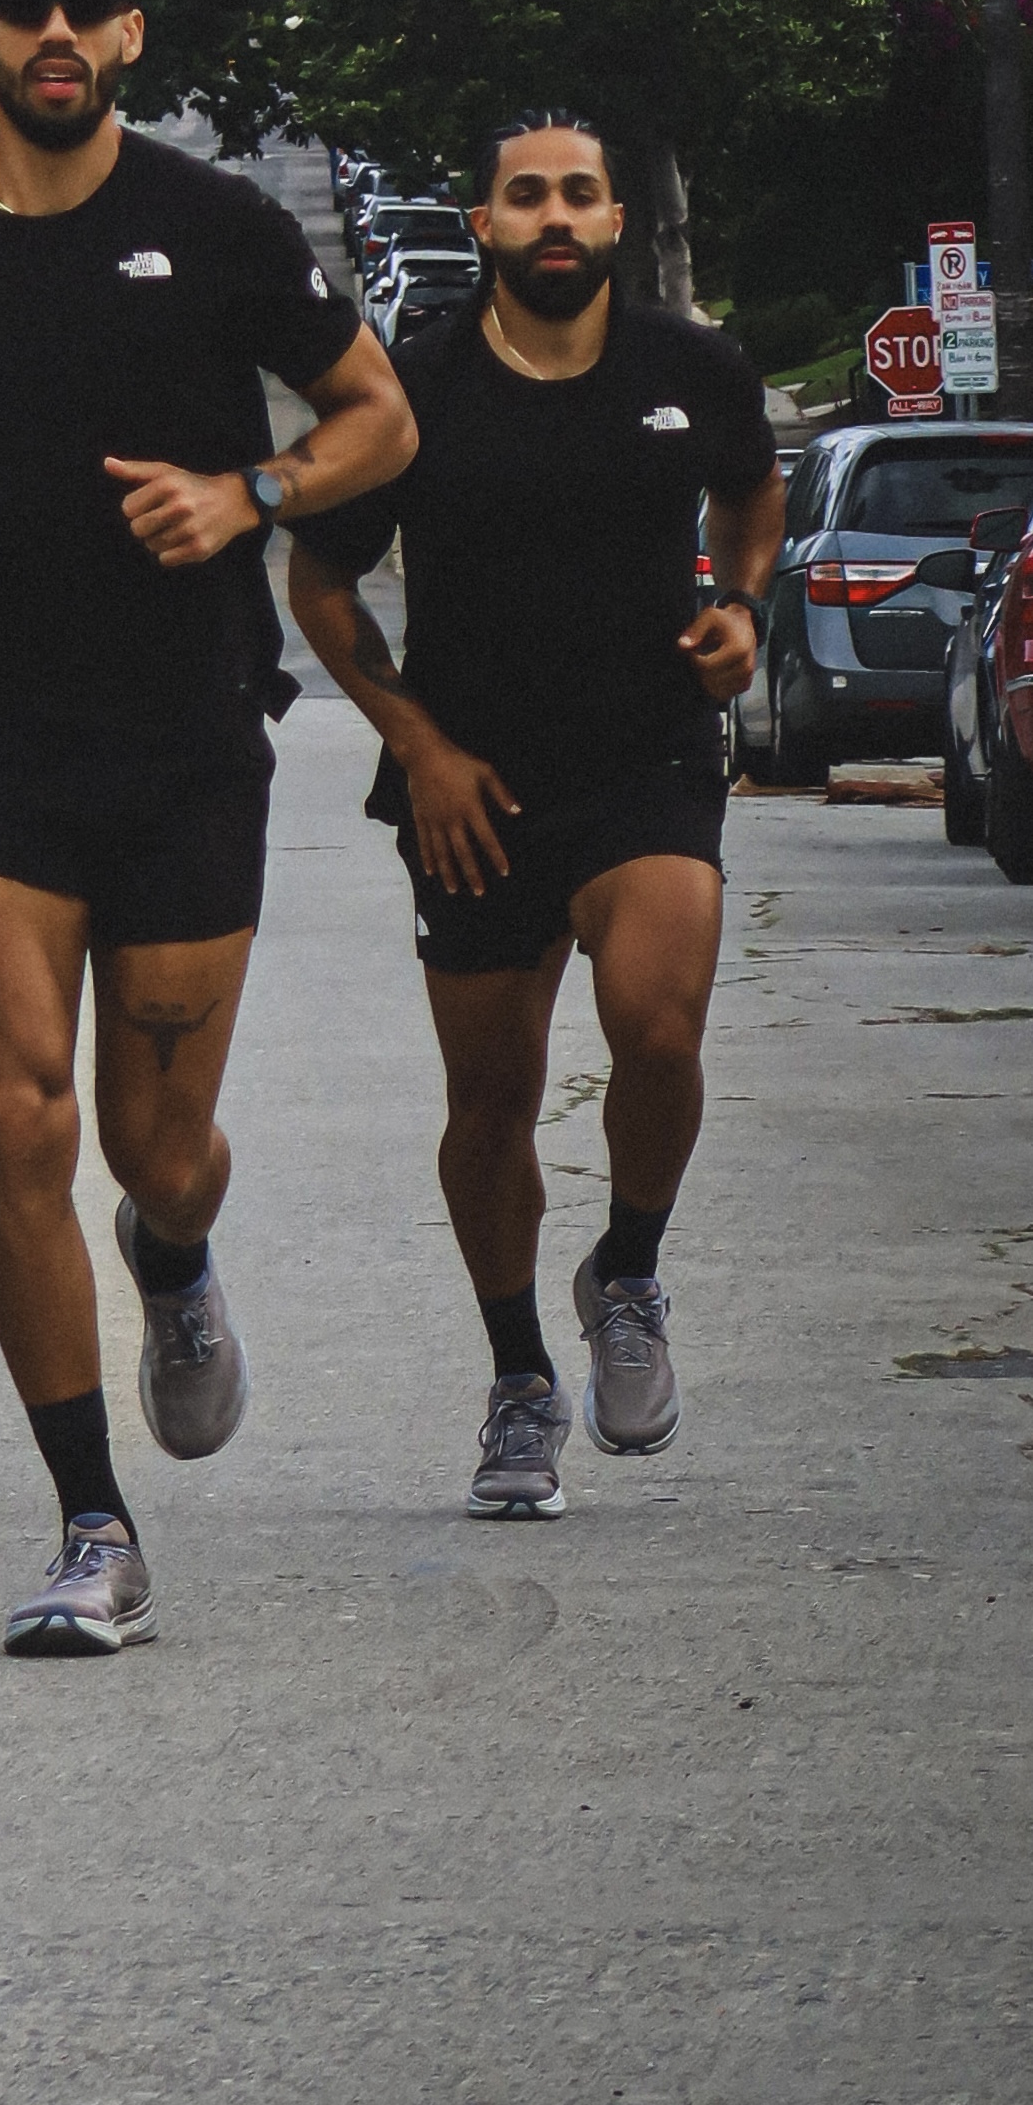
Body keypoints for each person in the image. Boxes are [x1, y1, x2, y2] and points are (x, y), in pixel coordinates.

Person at [0, 0, 412, 1658]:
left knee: (155, 1146)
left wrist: (250, 496)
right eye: (24, 5)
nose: (53, 30)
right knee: (16, 1114)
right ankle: (90, 1521)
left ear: (125, 33)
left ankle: (172, 1248)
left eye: (83, 6)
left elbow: (377, 415)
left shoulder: (211, 226)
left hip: (183, 732)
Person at [283, 111, 781, 1517]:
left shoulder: (689, 367)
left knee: (656, 1027)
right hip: (474, 789)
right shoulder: (414, 390)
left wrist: (742, 607)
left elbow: (751, 494)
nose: (551, 216)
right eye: (524, 196)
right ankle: (516, 1380)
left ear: (615, 218)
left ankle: (626, 1270)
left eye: (576, 193)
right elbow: (318, 582)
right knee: (490, 1101)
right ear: (482, 223)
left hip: (646, 759)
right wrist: (417, 747)